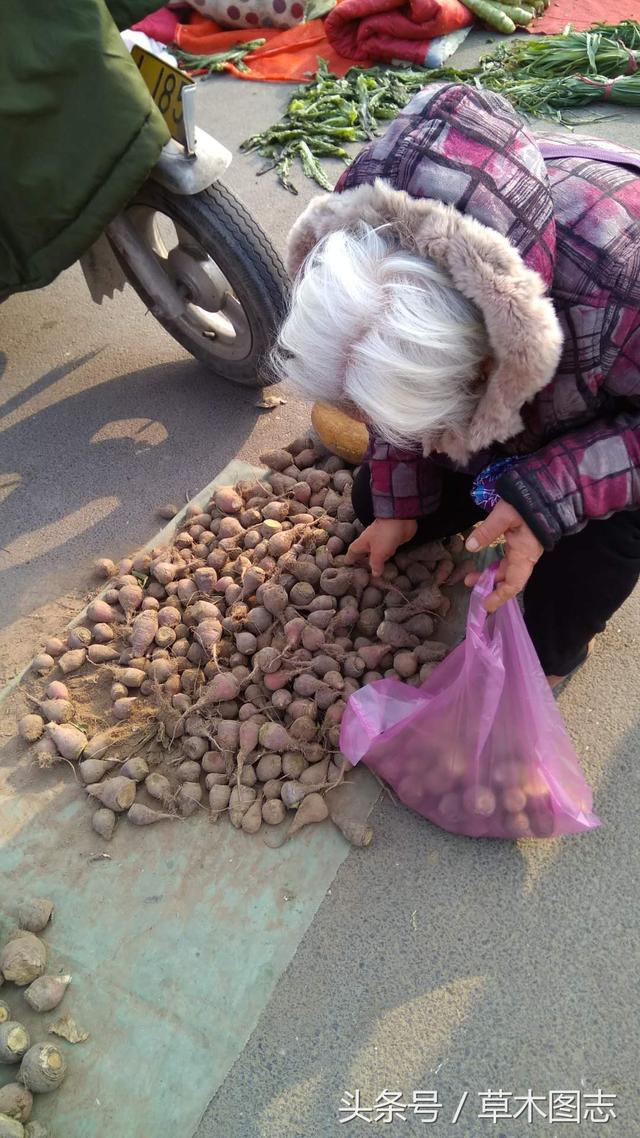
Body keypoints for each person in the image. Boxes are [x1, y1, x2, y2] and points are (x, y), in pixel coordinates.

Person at [274, 83, 640, 687]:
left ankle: (565, 636)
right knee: (379, 504)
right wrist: (400, 502)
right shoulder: (363, 242)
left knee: (563, 609)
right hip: (506, 374)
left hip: (607, 409)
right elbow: (394, 373)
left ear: (482, 367)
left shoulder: (618, 277)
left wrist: (551, 491)